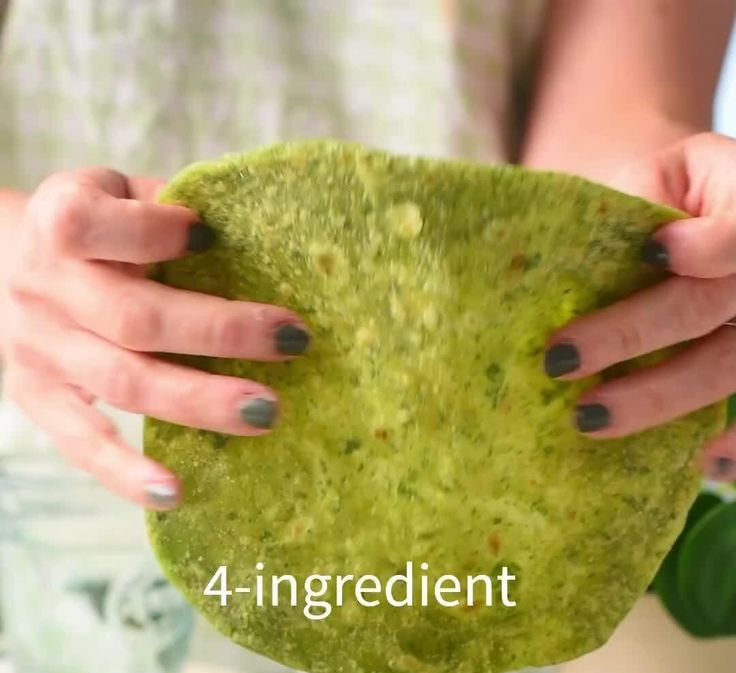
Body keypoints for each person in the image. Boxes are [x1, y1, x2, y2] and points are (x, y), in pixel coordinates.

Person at [0, 0, 735, 512]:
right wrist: (18, 254)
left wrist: (667, 239)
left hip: (474, 518)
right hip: (48, 523)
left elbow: (604, 146)